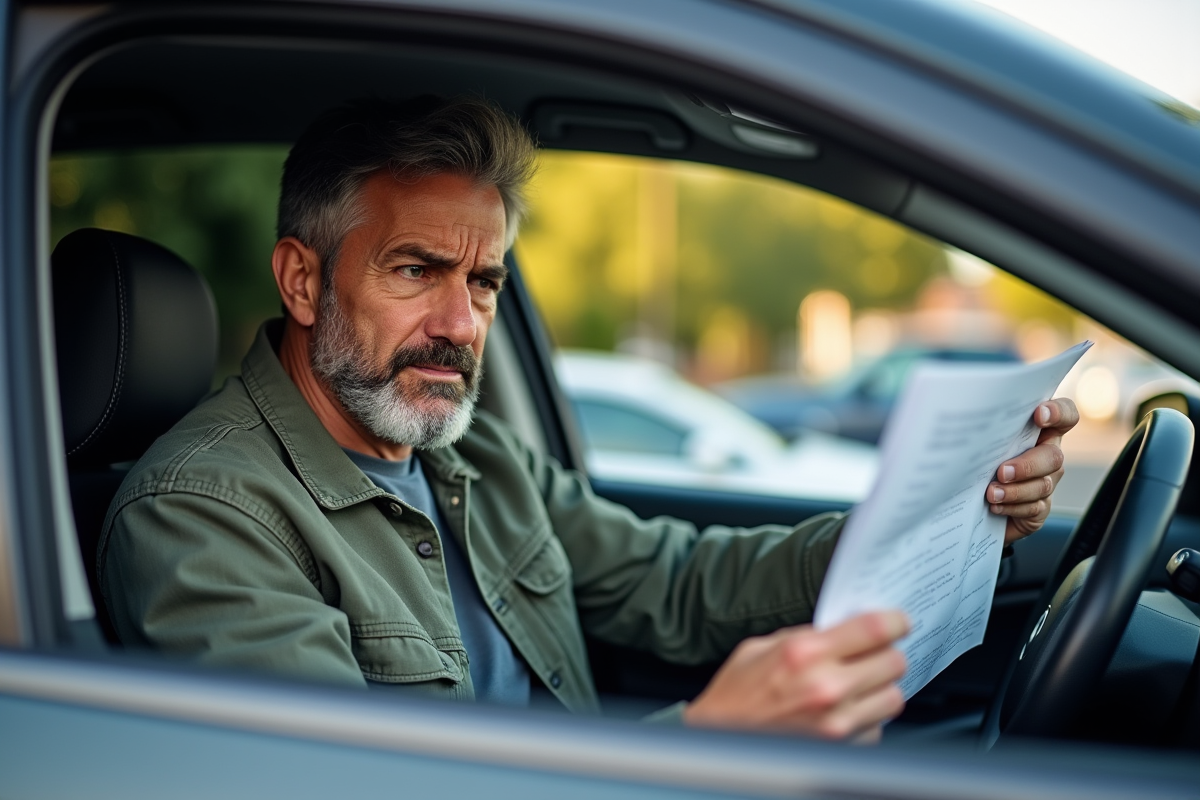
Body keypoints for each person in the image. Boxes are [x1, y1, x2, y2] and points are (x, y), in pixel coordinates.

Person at [98, 96, 1078, 740]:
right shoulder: (203, 511)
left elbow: (677, 579)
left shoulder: (470, 448)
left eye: (482, 282)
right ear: (303, 280)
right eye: (415, 270)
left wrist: (936, 511)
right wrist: (701, 747)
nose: (458, 323)